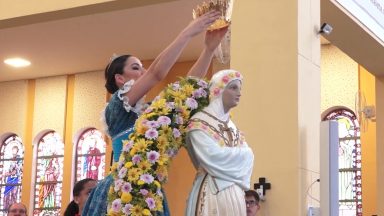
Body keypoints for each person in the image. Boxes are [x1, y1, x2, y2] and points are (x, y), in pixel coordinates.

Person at [83, 10, 228, 216]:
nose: (143, 72)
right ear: (120, 79)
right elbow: (156, 73)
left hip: (148, 189)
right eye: (136, 68)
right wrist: (187, 33)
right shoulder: (116, 108)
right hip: (119, 192)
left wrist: (208, 49)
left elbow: (186, 90)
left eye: (143, 68)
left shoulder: (150, 112)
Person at [185, 69, 254, 216]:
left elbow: (249, 159)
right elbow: (212, 157)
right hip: (212, 193)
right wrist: (244, 154)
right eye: (233, 87)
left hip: (235, 194)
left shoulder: (232, 126)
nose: (239, 93)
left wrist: (245, 155)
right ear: (218, 90)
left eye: (239, 88)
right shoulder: (200, 122)